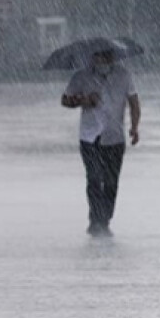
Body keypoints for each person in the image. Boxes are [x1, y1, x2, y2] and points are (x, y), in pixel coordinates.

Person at [61, 48, 140, 237]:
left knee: (111, 181)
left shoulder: (124, 75)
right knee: (94, 178)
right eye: (99, 55)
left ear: (113, 57)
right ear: (93, 56)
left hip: (115, 136)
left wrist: (135, 127)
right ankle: (95, 220)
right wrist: (83, 100)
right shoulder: (81, 76)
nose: (103, 60)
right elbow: (65, 100)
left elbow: (134, 102)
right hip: (89, 136)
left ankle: (105, 219)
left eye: (107, 56)